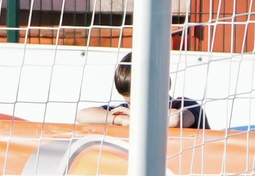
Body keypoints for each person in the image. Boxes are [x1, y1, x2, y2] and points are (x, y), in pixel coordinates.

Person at [78, 53, 210, 130]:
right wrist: (121, 120)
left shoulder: (185, 105)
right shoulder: (125, 112)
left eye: (143, 100)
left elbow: (175, 120)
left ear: (166, 84)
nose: (135, 106)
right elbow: (82, 115)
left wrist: (135, 116)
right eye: (130, 102)